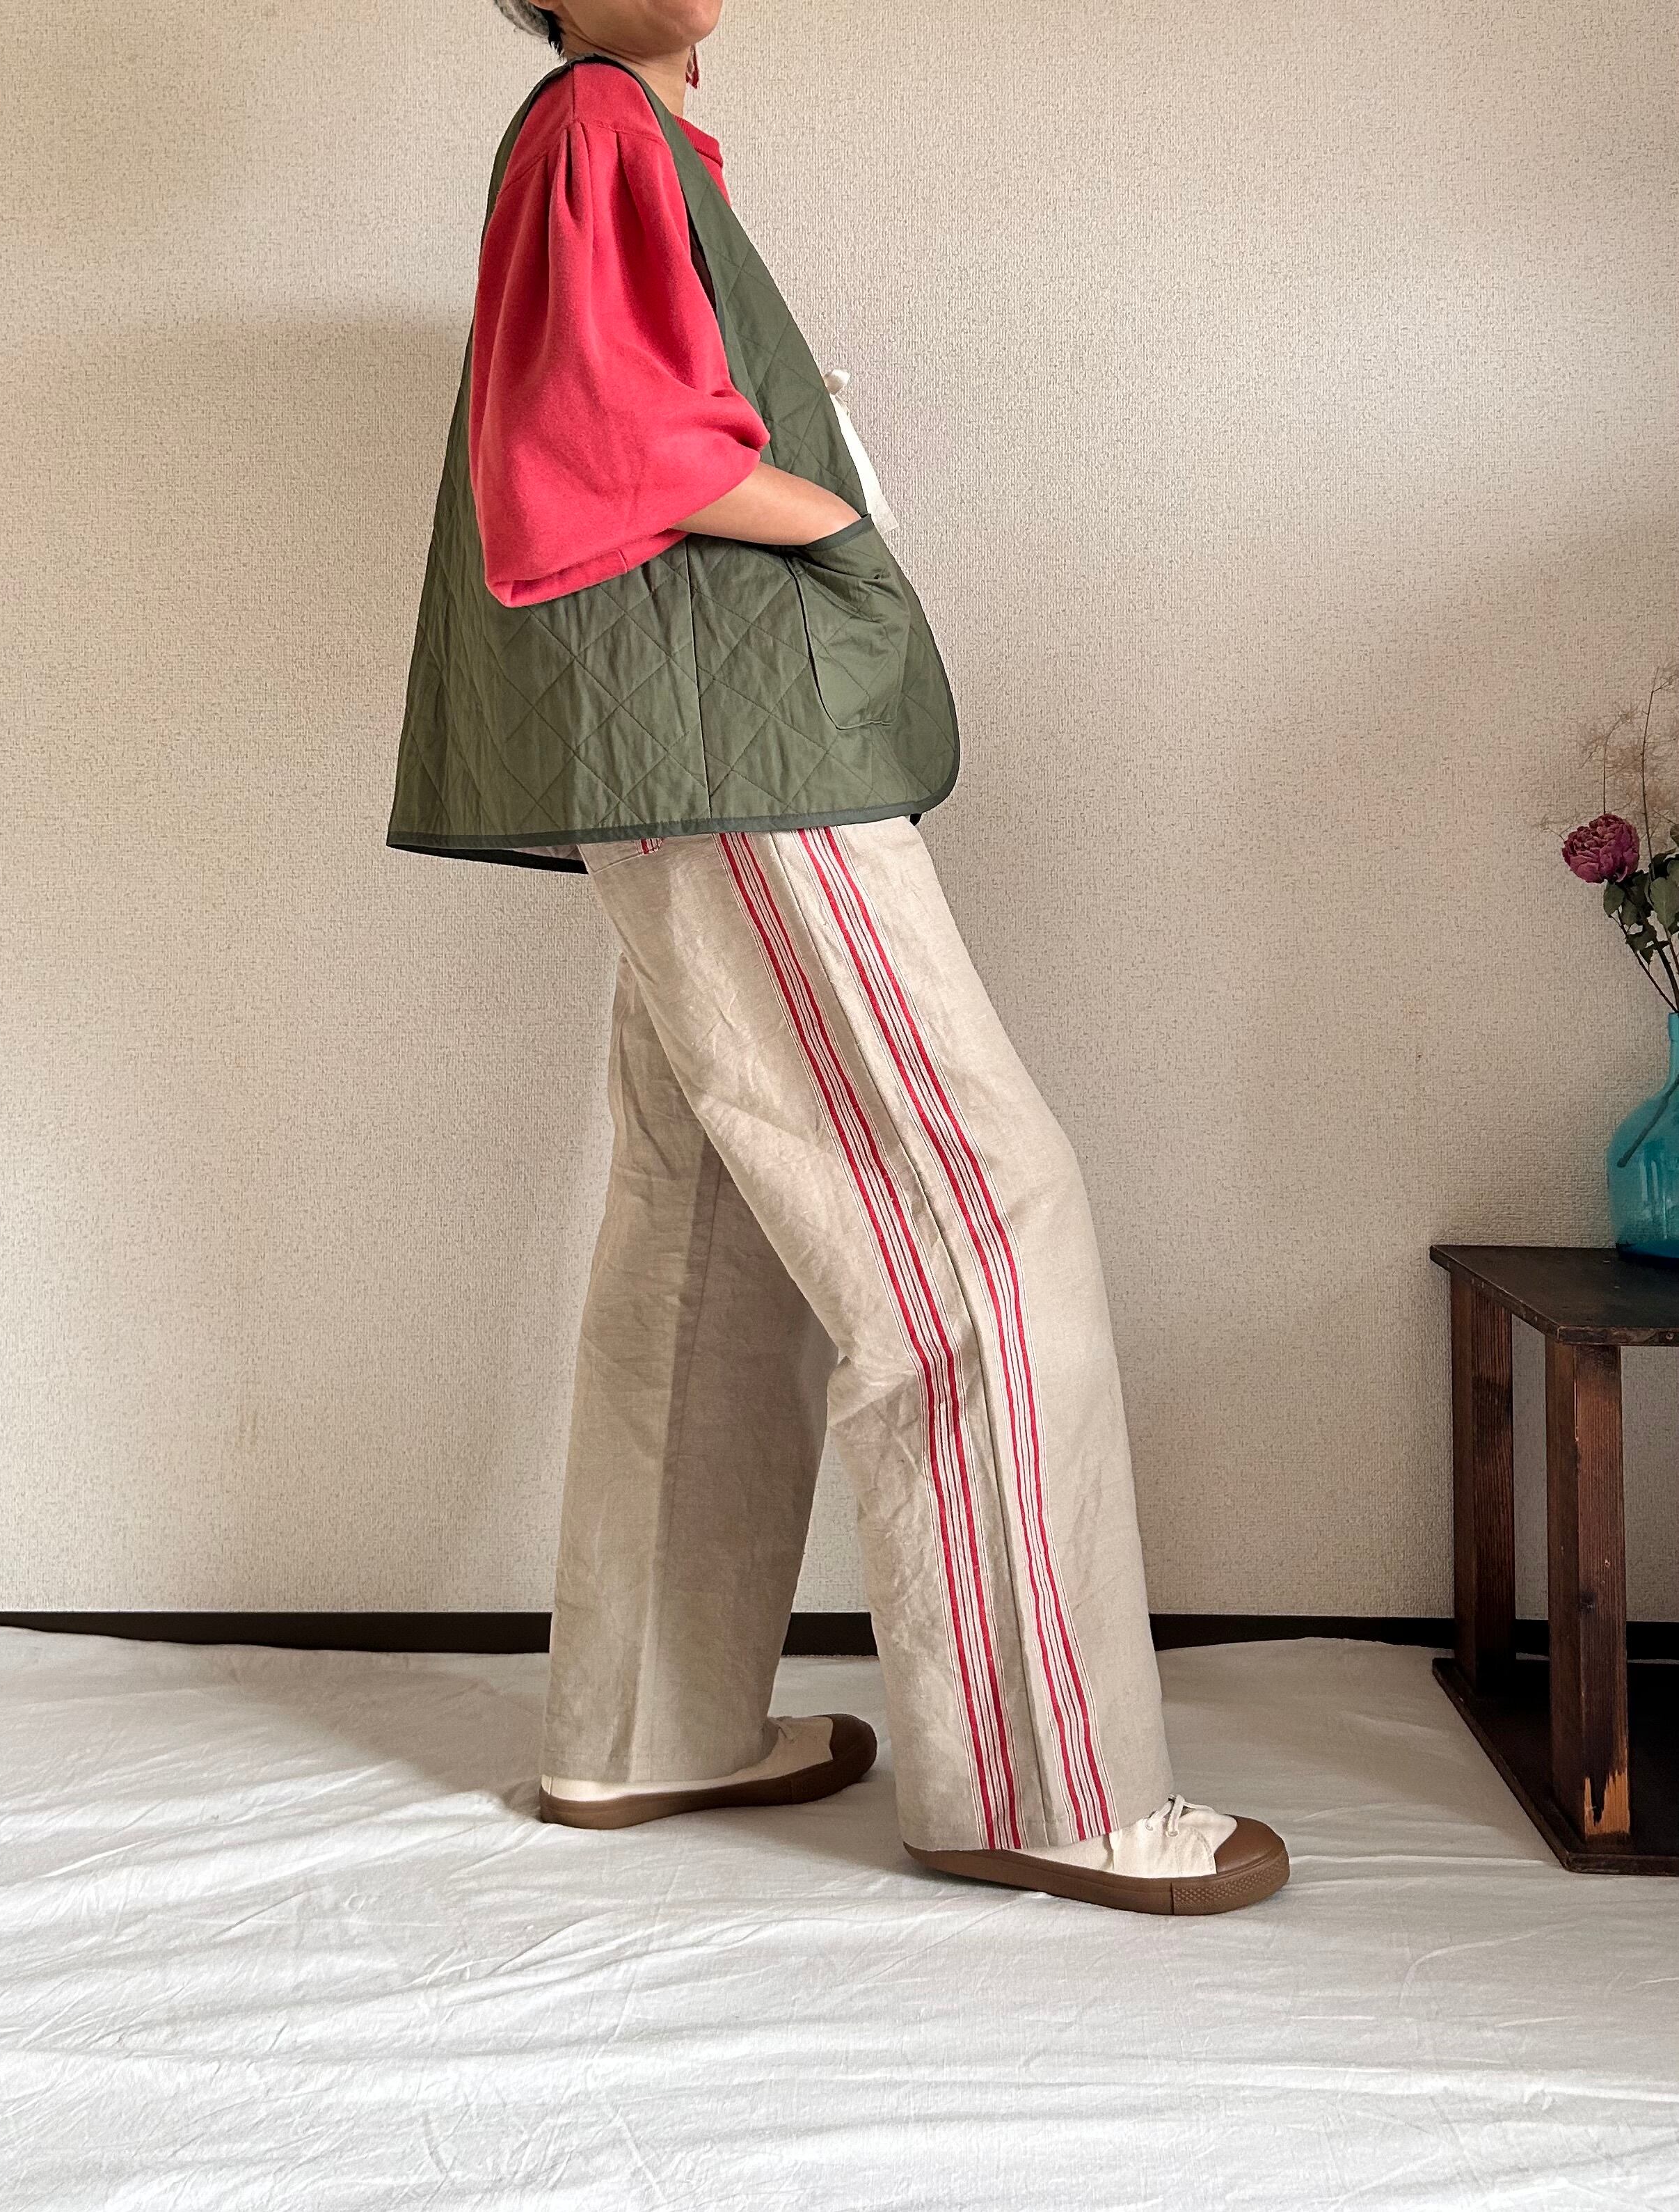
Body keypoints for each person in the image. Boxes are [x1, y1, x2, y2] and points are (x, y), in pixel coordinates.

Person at [386, 0, 1291, 1916]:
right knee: (973, 1208)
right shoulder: (597, 125)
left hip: (679, 754)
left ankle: (645, 1729)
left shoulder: (616, 134)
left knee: (709, 1230)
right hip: (738, 749)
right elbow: (600, 447)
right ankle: (1040, 1783)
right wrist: (840, 529)